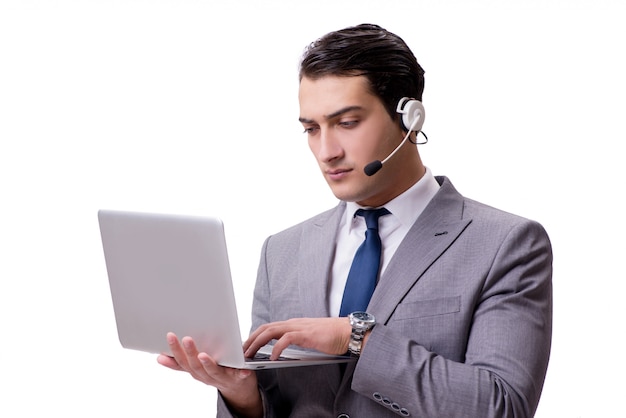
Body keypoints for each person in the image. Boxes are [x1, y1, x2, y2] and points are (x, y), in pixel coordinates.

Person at [157, 23, 553, 418]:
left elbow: (504, 407)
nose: (326, 151)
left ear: (410, 117)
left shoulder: (505, 244)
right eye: (312, 129)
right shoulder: (281, 252)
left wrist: (357, 339)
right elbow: (277, 404)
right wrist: (242, 396)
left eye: (346, 123)